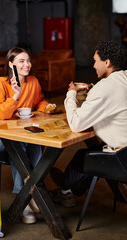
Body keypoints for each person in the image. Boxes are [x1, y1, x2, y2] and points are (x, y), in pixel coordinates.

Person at [50, 40, 127, 207]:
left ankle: (65, 189)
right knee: (92, 152)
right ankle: (67, 189)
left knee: (83, 157)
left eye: (95, 61)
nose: (93, 65)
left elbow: (76, 124)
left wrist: (71, 94)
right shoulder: (124, 78)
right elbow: (114, 98)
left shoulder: (106, 87)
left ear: (106, 62)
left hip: (122, 157)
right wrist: (93, 90)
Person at [0, 47, 56, 224]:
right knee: (20, 143)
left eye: (28, 60)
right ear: (11, 64)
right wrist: (15, 96)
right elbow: (0, 115)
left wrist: (46, 107)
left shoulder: (33, 81)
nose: (27, 64)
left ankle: (29, 191)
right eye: (21, 61)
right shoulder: (0, 83)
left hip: (18, 133)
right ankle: (26, 197)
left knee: (35, 142)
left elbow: (39, 101)